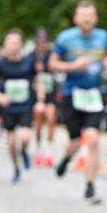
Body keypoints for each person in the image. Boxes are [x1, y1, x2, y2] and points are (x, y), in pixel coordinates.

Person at [49, 0, 107, 204]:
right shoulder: (65, 38)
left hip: (93, 94)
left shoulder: (103, 36)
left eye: (90, 16)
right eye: (83, 16)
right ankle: (66, 159)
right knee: (76, 142)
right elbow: (52, 63)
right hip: (71, 94)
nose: (87, 20)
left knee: (93, 139)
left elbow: (105, 56)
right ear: (76, 19)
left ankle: (90, 187)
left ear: (95, 18)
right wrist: (73, 66)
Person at [0, 29, 45, 183]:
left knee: (25, 137)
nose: (13, 45)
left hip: (26, 104)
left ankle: (25, 152)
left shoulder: (28, 62)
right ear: (5, 44)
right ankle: (16, 168)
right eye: (10, 42)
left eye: (16, 42)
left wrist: (40, 101)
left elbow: (38, 80)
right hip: (8, 107)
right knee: (12, 142)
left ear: (21, 44)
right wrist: (0, 97)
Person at [33, 28, 60, 167]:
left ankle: (49, 152)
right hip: (37, 94)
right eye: (40, 40)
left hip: (50, 93)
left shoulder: (51, 54)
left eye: (44, 40)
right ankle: (38, 150)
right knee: (38, 121)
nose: (42, 43)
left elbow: (58, 68)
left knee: (51, 119)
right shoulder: (32, 55)